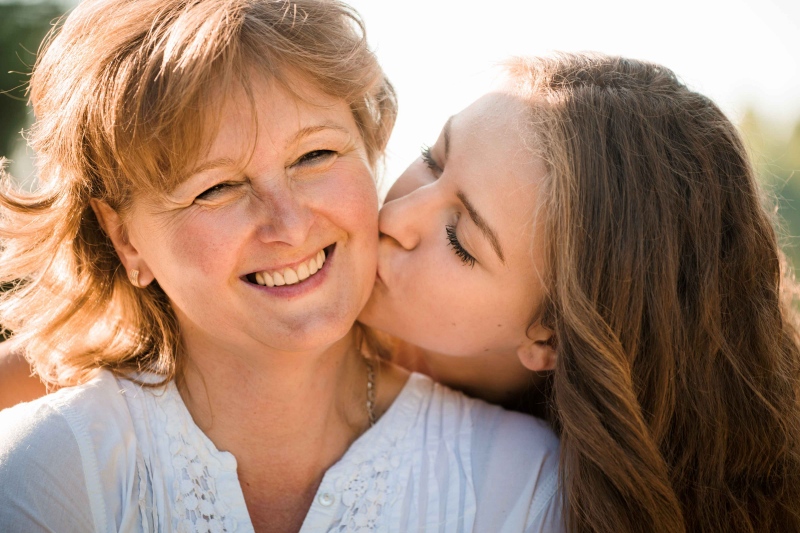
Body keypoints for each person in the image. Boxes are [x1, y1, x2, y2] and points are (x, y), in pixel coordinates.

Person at [0, 1, 562, 531]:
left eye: (315, 155)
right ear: (126, 239)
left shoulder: (525, 481)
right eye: (216, 188)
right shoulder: (46, 471)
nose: (289, 226)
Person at [359, 54, 800, 532]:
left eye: (460, 241)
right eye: (432, 159)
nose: (396, 217)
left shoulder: (541, 505)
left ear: (549, 339)